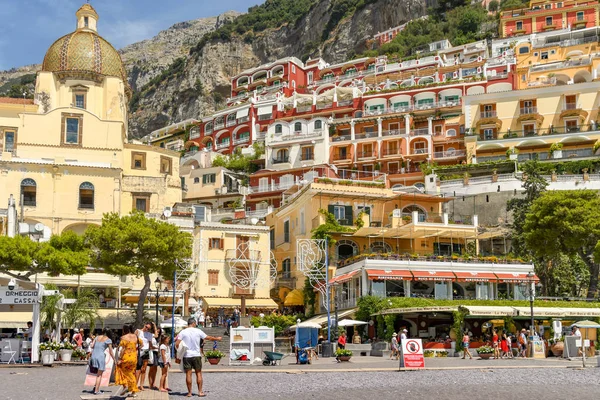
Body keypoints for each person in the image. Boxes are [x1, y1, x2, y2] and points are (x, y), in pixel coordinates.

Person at [175, 318, 222, 398]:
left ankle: (189, 393)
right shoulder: (198, 331)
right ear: (193, 323)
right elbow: (208, 338)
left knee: (188, 374)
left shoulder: (183, 332)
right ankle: (200, 392)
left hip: (187, 355)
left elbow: (177, 344)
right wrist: (217, 338)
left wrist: (180, 353)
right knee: (198, 373)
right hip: (196, 355)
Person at [115, 324, 140, 397]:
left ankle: (126, 386)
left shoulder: (124, 337)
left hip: (126, 357)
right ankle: (133, 392)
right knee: (131, 373)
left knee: (121, 371)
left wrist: (119, 358)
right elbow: (142, 344)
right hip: (134, 358)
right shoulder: (136, 337)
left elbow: (122, 349)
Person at [89, 328, 115, 396]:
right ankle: (97, 391)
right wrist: (115, 360)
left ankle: (95, 388)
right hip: (100, 357)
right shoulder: (108, 340)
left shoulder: (97, 337)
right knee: (99, 375)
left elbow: (92, 346)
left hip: (93, 356)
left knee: (96, 373)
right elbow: (111, 352)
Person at [135, 322, 153, 391]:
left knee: (144, 369)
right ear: (144, 325)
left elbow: (150, 344)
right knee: (138, 368)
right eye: (146, 327)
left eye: (148, 328)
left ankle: (141, 385)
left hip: (146, 351)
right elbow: (133, 340)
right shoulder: (138, 331)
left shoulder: (149, 334)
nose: (146, 329)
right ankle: (135, 384)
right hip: (139, 350)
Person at [148, 323, 160, 391]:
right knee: (151, 369)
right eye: (156, 329)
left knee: (155, 369)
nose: (157, 331)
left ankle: (153, 383)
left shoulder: (153, 336)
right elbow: (156, 334)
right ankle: (150, 384)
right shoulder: (151, 335)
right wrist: (155, 326)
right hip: (152, 352)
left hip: (155, 352)